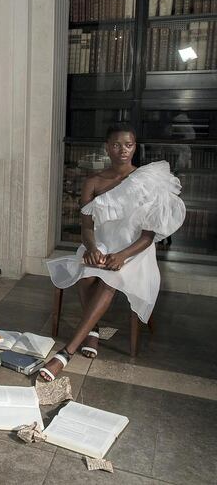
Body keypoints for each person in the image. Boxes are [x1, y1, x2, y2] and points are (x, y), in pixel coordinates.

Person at [42, 124, 186, 381]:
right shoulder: (93, 182)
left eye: (128, 145)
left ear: (134, 147)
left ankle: (65, 353)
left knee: (110, 280)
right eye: (117, 145)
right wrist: (92, 248)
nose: (123, 150)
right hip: (103, 244)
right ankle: (93, 332)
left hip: (135, 251)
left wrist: (122, 256)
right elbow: (87, 227)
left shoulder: (146, 181)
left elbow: (147, 236)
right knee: (85, 273)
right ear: (107, 147)